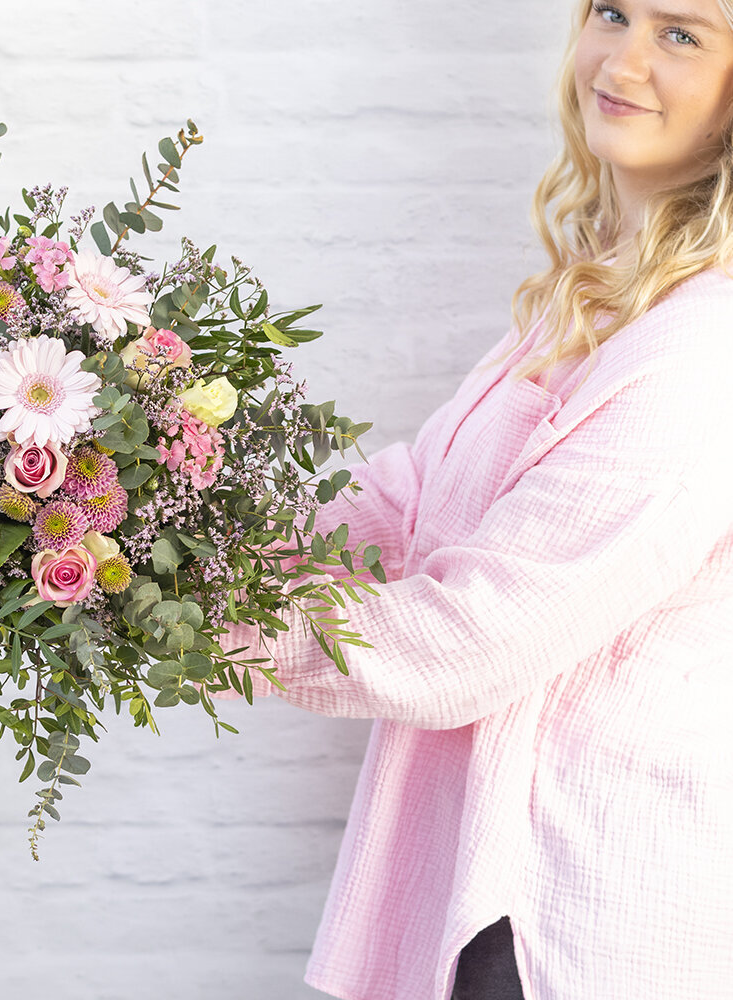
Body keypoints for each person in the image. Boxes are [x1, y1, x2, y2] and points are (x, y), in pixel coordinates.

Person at [216, 1, 733, 997]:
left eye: (681, 33)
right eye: (611, 12)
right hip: (489, 889)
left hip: (567, 920)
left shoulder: (701, 353)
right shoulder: (596, 300)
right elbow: (408, 501)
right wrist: (172, 519)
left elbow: (472, 637)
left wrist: (205, 621)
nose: (621, 60)